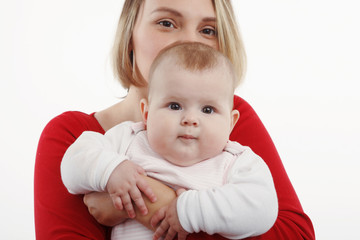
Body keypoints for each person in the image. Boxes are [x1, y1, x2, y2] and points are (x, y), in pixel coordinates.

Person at [34, 0, 315, 239]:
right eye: (167, 23)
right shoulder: (80, 136)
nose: (189, 42)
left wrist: (151, 203)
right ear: (130, 32)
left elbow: (294, 233)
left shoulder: (228, 123)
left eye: (208, 30)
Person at [61, 42, 278, 240]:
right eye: (175, 106)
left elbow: (263, 208)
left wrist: (191, 211)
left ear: (231, 123)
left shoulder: (235, 161)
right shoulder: (129, 138)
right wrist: (111, 169)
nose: (190, 119)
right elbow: (73, 161)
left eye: (208, 109)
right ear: (146, 113)